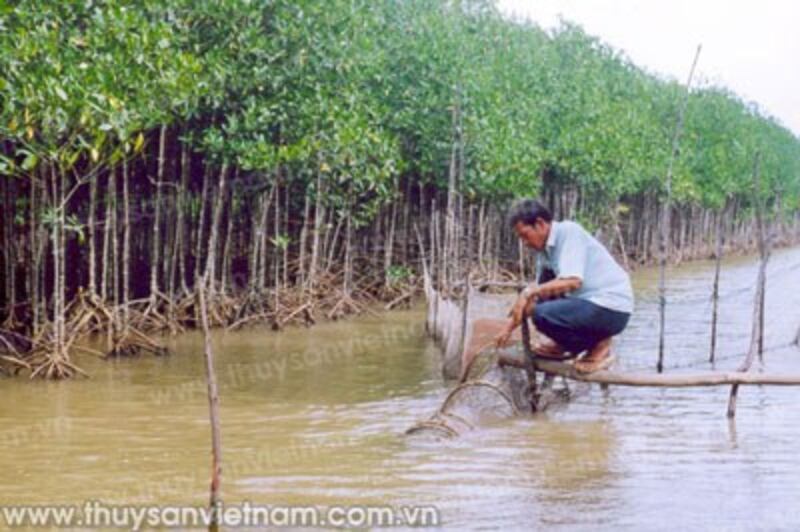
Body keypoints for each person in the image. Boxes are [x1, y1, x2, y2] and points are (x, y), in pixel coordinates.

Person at [495, 199, 633, 373]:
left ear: (540, 224)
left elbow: (573, 281)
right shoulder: (544, 252)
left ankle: (599, 346)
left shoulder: (569, 232)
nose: (525, 242)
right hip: (590, 307)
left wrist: (527, 293)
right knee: (540, 305)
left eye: (525, 235)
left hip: (611, 308)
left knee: (541, 314)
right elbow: (538, 296)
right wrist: (507, 329)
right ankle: (565, 346)